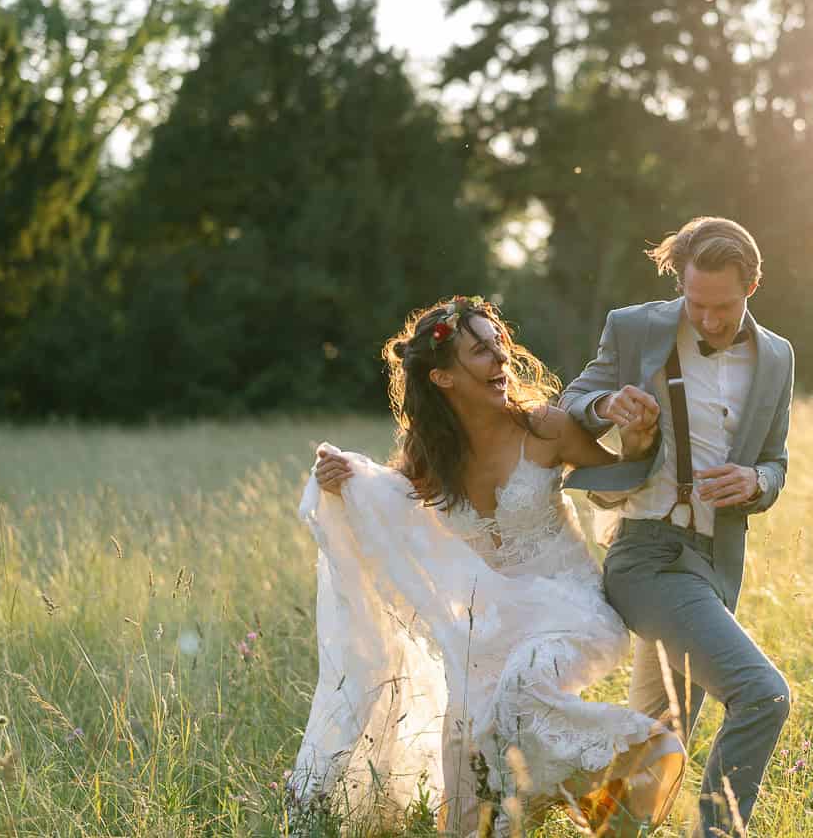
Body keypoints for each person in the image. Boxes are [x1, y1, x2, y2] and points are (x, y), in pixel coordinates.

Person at [290, 296, 684, 837]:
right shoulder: (429, 456)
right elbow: (385, 502)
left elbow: (622, 484)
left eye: (499, 344)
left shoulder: (544, 427)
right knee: (464, 774)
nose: (501, 359)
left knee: (520, 686)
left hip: (568, 611)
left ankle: (643, 750)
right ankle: (533, 805)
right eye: (480, 351)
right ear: (443, 378)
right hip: (490, 627)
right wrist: (343, 479)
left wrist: (637, 438)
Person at [559, 217, 795, 838]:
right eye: (696, 303)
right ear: (682, 286)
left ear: (752, 286)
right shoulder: (634, 327)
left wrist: (756, 481)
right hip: (647, 555)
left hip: (714, 564)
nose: (709, 320)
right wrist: (607, 405)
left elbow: (776, 460)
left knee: (654, 752)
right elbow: (572, 402)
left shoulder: (777, 356)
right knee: (763, 695)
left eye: (724, 306)